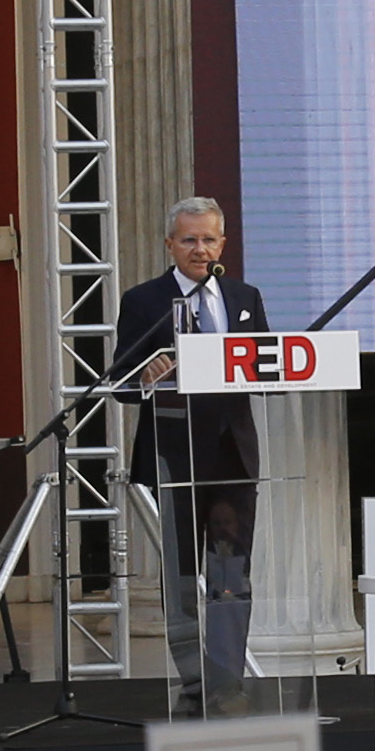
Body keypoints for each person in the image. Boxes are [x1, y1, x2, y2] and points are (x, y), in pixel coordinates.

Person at [109, 196, 265, 714]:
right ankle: (194, 683)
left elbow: (267, 367)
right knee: (181, 579)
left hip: (232, 456)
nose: (201, 249)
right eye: (190, 240)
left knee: (230, 573)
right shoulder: (143, 300)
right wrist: (145, 375)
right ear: (170, 245)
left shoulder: (244, 297)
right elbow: (121, 386)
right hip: (174, 457)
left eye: (209, 240)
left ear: (224, 244)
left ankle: (227, 684)